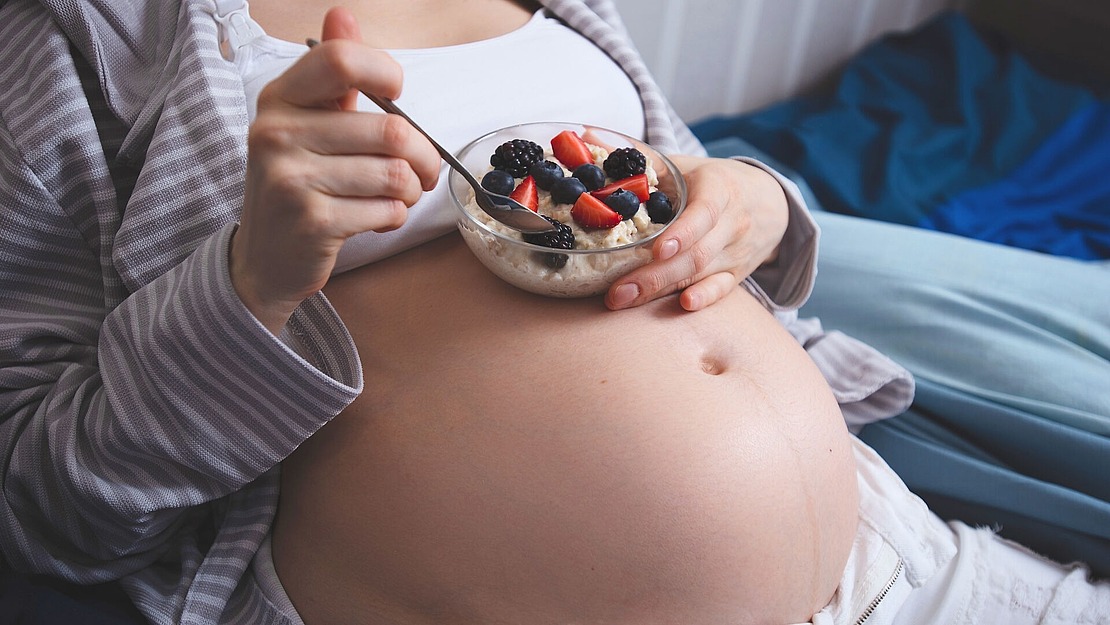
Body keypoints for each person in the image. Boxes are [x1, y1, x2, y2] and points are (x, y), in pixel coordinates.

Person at [0, 2, 1106, 625]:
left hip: (892, 560)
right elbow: (48, 510)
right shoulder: (76, 41)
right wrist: (251, 280)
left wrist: (759, 206)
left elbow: (696, 213)